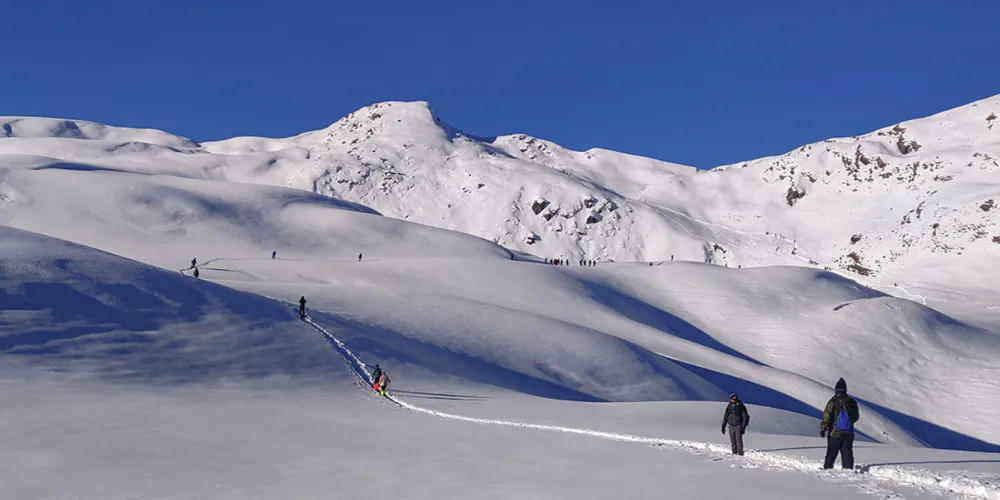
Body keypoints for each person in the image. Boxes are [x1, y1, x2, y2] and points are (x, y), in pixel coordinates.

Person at [821, 378, 860, 470]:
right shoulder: (852, 402)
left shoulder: (832, 402)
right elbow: (856, 417)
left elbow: (827, 416)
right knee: (847, 453)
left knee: (831, 454)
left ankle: (827, 470)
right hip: (848, 433)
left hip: (834, 433)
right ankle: (848, 471)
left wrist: (823, 428)